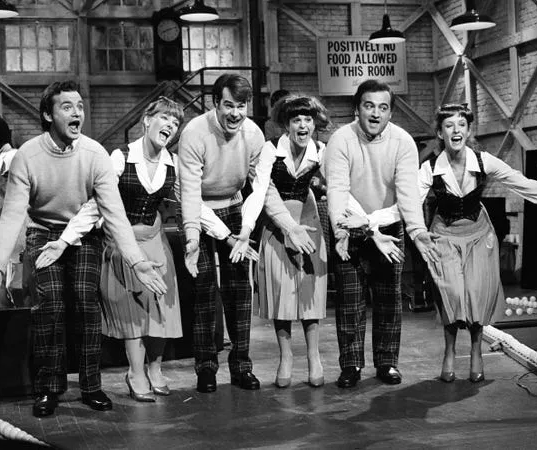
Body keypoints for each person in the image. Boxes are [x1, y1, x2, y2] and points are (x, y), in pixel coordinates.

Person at [0, 80, 167, 418]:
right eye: (67, 106)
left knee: (85, 302)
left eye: (80, 106)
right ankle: (47, 388)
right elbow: (11, 216)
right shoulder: (27, 156)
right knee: (49, 306)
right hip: (41, 231)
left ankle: (90, 385)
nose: (77, 112)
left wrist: (138, 261)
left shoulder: (95, 154)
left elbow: (113, 214)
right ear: (47, 114)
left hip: (82, 235)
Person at [418, 103, 537, 383]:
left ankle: (475, 350)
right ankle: (448, 351)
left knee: (475, 292)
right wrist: (371, 221)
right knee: (453, 294)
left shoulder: (484, 161)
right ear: (440, 132)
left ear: (469, 130)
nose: (455, 130)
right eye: (449, 126)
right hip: (444, 234)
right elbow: (407, 205)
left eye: (461, 125)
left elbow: (523, 184)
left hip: (479, 233)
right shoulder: (429, 168)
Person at [38, 97, 187, 402]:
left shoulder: (172, 163)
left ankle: (155, 369)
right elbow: (95, 205)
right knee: (133, 311)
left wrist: (220, 234)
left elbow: (192, 202)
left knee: (161, 309)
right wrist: (65, 239)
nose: (171, 126)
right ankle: (135, 372)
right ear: (147, 121)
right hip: (121, 246)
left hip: (156, 242)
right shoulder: (120, 158)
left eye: (176, 123)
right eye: (165, 118)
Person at [326, 79, 439, 389]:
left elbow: (407, 195)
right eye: (369, 106)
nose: (375, 113)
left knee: (389, 298)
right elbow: (337, 189)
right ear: (356, 109)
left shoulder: (403, 142)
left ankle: (387, 362)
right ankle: (351, 365)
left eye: (383, 107)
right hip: (347, 224)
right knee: (350, 301)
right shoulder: (340, 140)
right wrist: (341, 230)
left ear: (390, 112)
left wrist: (417, 231)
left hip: (389, 225)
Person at [179, 73, 266, 393]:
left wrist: (245, 231)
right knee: (203, 289)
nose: (234, 113)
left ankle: (242, 366)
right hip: (196, 206)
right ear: (215, 104)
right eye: (228, 105)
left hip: (233, 204)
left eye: (241, 106)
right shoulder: (194, 133)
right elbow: (188, 193)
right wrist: (191, 237)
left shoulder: (254, 135)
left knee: (239, 289)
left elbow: (259, 189)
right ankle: (205, 367)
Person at [249, 95, 330, 388]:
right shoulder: (269, 151)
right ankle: (286, 357)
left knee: (309, 291)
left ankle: (313, 356)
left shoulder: (321, 150)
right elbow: (264, 193)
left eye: (308, 120)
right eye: (297, 120)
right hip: (277, 226)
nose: (303, 125)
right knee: (281, 292)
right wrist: (286, 226)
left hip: (308, 224)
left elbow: (339, 186)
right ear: (285, 124)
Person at [0, 116, 28, 307]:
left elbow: (22, 200)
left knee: (19, 300)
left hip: (18, 247)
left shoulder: (11, 157)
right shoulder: (1, 160)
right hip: (9, 246)